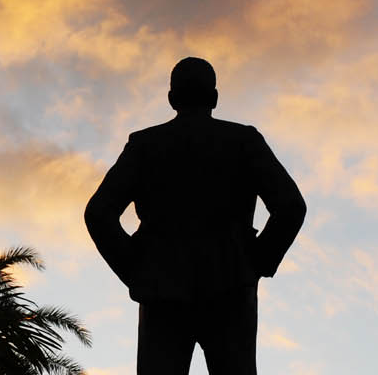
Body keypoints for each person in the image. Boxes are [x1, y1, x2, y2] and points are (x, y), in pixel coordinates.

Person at [84, 57, 306, 374]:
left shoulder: (145, 146)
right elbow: (291, 206)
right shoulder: (243, 142)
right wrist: (253, 262)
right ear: (214, 98)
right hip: (229, 291)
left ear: (172, 99)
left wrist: (137, 269)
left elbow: (98, 214)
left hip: (163, 293)